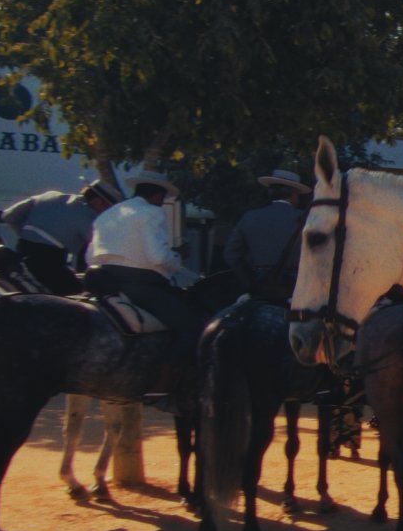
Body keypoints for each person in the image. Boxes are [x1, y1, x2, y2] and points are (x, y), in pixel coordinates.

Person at [84, 167, 201, 393]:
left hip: (102, 280)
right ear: (157, 196)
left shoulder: (109, 213)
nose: (161, 203)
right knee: (192, 328)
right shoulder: (151, 213)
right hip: (139, 284)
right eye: (162, 199)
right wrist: (177, 257)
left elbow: (91, 255)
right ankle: (162, 383)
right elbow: (157, 257)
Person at [0, 181, 122, 295]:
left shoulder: (49, 195)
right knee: (77, 295)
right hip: (48, 264)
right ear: (98, 202)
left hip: (20, 253)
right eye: (110, 209)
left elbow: (9, 216)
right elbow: (101, 251)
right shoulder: (90, 218)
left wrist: (27, 236)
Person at [222, 168, 309, 303]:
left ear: (271, 192)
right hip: (297, 290)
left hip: (259, 287)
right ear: (293, 194)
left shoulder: (249, 217)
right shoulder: (306, 219)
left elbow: (231, 254)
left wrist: (249, 282)